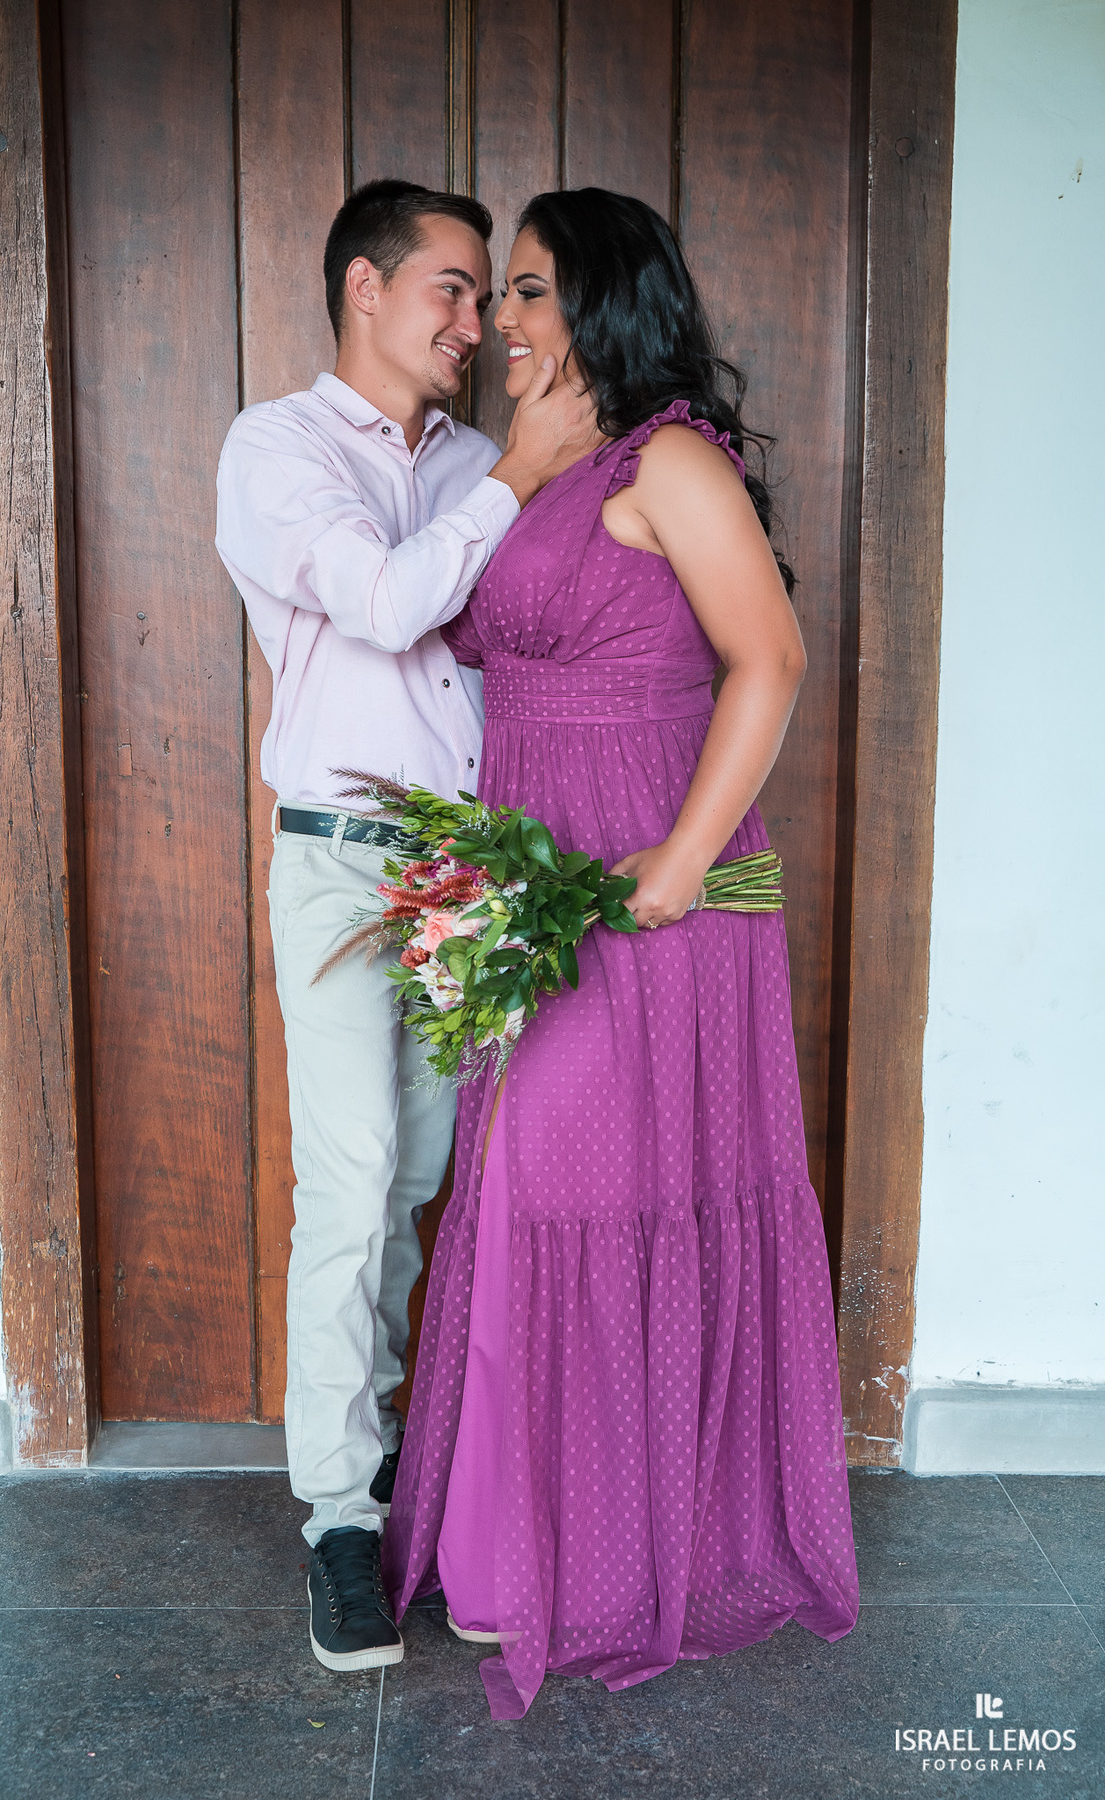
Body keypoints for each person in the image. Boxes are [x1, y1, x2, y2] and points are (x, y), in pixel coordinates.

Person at [383, 187, 859, 1718]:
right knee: (524, 1199)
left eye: (523, 293)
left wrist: (678, 860)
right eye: (495, 296)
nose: (497, 326)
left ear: (599, 301)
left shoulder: (668, 463)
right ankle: (522, 1549)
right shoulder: (543, 468)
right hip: (531, 883)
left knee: (596, 1199)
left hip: (654, 890)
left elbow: (768, 656)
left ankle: (598, 1560)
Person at [215, 179, 596, 1675]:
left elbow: (509, 632)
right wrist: (521, 477)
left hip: (470, 870)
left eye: (492, 292)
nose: (476, 319)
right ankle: (335, 1517)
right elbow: (383, 604)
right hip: (339, 867)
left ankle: (394, 1475)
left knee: (427, 1171)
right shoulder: (276, 448)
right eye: (450, 287)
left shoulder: (468, 463)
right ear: (364, 288)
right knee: (354, 1174)